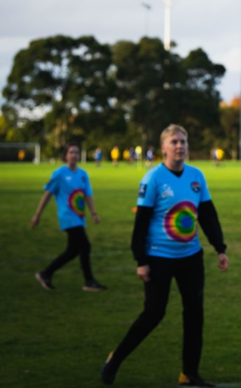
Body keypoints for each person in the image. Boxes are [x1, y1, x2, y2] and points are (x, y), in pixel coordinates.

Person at [100, 124, 229, 387]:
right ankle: (115, 359)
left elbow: (207, 214)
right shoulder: (153, 179)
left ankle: (189, 374)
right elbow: (142, 223)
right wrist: (141, 260)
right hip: (158, 257)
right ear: (163, 148)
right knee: (154, 313)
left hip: (191, 256)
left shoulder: (197, 176)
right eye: (174, 142)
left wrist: (220, 248)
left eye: (183, 141)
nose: (180, 146)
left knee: (195, 313)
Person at [31, 143, 106, 292]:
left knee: (73, 250)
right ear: (66, 155)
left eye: (76, 153)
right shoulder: (59, 174)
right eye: (71, 152)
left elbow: (88, 195)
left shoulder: (83, 174)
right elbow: (47, 195)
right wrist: (37, 215)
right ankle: (89, 281)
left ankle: (45, 274)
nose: (74, 155)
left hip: (79, 217)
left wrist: (94, 213)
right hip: (67, 216)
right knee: (85, 246)